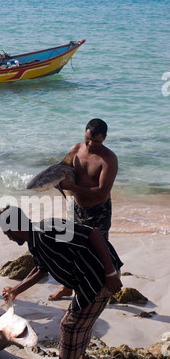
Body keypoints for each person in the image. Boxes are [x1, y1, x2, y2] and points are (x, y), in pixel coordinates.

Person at [0, 205, 123, 359]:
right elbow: (41, 268)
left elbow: (93, 233)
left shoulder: (48, 232)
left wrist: (110, 273)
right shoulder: (35, 241)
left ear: (16, 228)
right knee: (83, 319)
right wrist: (16, 290)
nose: (8, 237)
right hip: (84, 278)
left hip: (99, 277)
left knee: (69, 324)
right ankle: (82, 355)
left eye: (7, 232)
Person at [48, 118, 118, 301]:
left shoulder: (109, 159)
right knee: (68, 247)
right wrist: (53, 181)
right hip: (74, 207)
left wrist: (72, 186)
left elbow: (102, 191)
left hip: (98, 211)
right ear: (85, 133)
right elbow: (61, 169)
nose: (91, 144)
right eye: (88, 139)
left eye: (96, 141)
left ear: (104, 139)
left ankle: (103, 289)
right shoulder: (76, 150)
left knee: (100, 250)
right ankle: (67, 288)